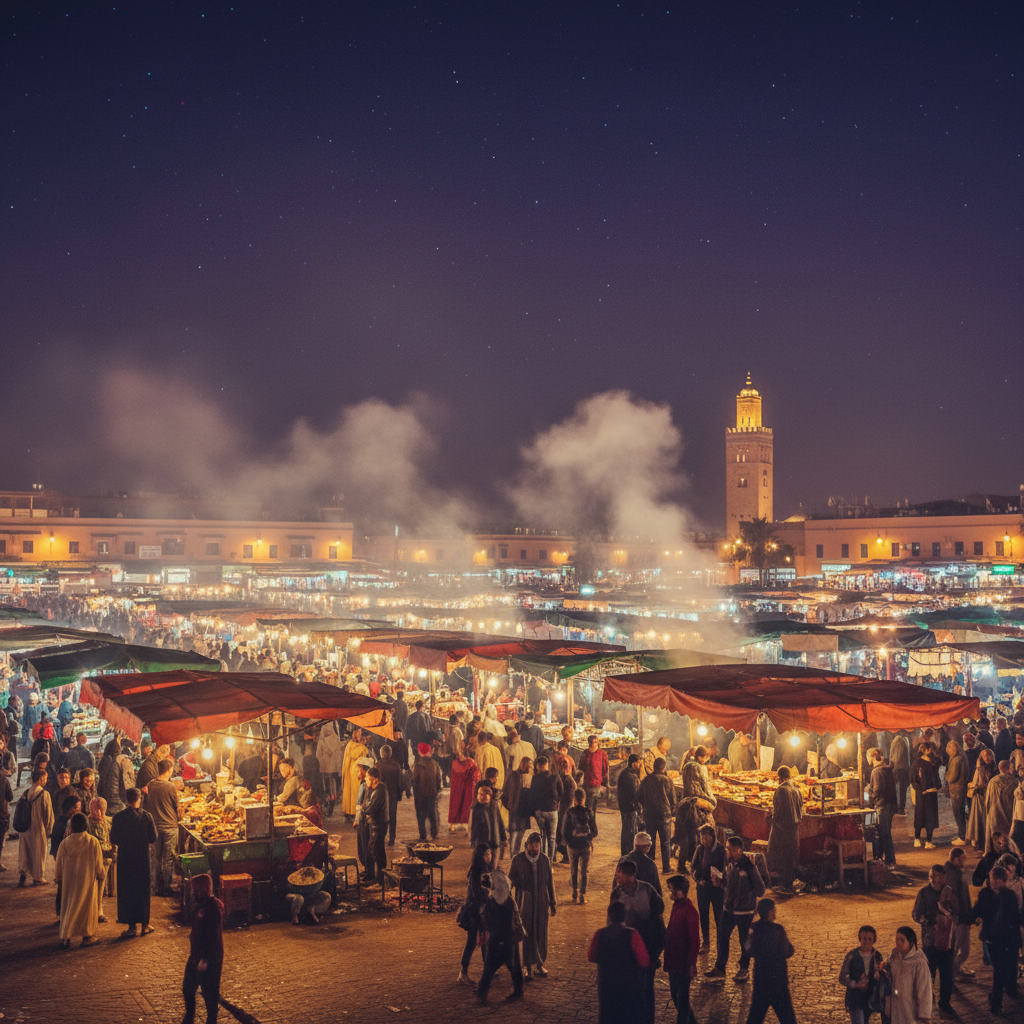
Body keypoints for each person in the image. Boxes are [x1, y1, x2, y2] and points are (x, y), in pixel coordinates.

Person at [609, 858, 665, 1024]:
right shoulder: (617, 893)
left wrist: (656, 950)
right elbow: (611, 922)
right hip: (626, 951)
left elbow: (659, 913)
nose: (617, 876)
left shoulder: (647, 890)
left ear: (631, 876)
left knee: (647, 988)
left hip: (647, 948)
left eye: (620, 873)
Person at [705, 836, 765, 982]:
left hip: (744, 912)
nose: (727, 851)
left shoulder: (749, 867)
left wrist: (747, 896)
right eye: (727, 848)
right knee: (722, 937)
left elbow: (760, 889)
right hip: (728, 909)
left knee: (744, 941)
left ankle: (744, 969)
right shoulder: (729, 863)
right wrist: (720, 883)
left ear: (738, 849)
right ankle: (720, 968)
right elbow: (728, 883)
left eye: (730, 848)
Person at [587, 900, 651, 1024]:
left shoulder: (600, 934)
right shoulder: (632, 934)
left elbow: (591, 956)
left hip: (607, 983)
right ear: (625, 916)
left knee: (608, 1014)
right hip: (629, 984)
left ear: (609, 916)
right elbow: (643, 960)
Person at [970, 867, 1021, 1014]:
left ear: (1004, 881)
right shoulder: (985, 894)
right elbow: (977, 911)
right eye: (993, 880)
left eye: (998, 880)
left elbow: (1015, 918)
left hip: (1007, 939)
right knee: (999, 970)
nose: (995, 883)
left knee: (1003, 970)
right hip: (992, 939)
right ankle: (996, 1002)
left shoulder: (1010, 896)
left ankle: (996, 999)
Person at [109, 786, 158, 936]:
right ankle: (145, 925)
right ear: (139, 800)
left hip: (126, 860)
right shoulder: (147, 816)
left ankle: (131, 927)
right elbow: (153, 838)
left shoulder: (118, 817)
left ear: (126, 800)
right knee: (143, 890)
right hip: (142, 859)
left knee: (128, 890)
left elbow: (114, 839)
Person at [508, 831, 556, 979]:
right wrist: (507, 903)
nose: (534, 848)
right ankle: (527, 966)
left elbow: (549, 882)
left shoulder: (544, 860)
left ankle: (540, 965)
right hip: (524, 902)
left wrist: (552, 902)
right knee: (526, 933)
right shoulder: (518, 860)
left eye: (537, 845)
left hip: (542, 902)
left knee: (541, 932)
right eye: (532, 845)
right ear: (526, 845)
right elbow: (510, 882)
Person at [53, 812, 104, 949]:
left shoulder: (65, 843)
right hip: (87, 882)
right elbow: (99, 865)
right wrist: (100, 875)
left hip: (69, 882)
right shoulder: (93, 841)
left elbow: (58, 866)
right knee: (87, 909)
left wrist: (58, 878)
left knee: (69, 906)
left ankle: (66, 937)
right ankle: (87, 936)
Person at [743, 898, 797, 1024]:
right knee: (787, 1017)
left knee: (755, 1016)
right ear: (770, 912)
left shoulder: (754, 928)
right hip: (778, 979)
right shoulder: (778, 930)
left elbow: (748, 948)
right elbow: (787, 951)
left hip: (761, 978)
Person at [476, 867, 525, 1003]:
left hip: (502, 939)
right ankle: (517, 990)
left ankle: (482, 992)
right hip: (507, 939)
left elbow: (488, 920)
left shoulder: (498, 902)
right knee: (513, 966)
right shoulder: (506, 900)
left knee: (492, 966)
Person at [912, 864, 956, 1013]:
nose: (933, 880)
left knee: (947, 975)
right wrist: (928, 920)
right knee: (928, 974)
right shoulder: (924, 893)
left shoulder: (949, 892)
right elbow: (916, 914)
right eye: (931, 876)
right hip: (929, 942)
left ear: (943, 877)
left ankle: (944, 1002)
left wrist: (947, 917)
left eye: (936, 876)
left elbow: (957, 913)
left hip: (946, 941)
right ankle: (926, 1001)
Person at [182, 873, 224, 1024]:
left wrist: (205, 959)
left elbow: (213, 937)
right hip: (195, 956)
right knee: (188, 989)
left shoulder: (212, 908)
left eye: (195, 889)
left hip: (209, 958)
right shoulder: (202, 906)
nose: (193, 893)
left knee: (209, 993)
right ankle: (189, 1016)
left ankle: (211, 1020)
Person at [663, 874, 700, 1024]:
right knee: (676, 996)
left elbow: (694, 940)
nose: (670, 892)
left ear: (679, 891)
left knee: (682, 1000)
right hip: (674, 961)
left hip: (683, 963)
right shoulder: (677, 906)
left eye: (671, 889)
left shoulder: (690, 911)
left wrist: (691, 963)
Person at [456, 843, 493, 985]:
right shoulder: (476, 872)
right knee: (471, 942)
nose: (489, 856)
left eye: (489, 853)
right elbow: (476, 892)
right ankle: (463, 973)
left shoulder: (486, 869)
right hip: (474, 912)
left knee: (486, 941)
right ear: (479, 856)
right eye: (486, 854)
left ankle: (488, 969)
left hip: (484, 910)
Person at [883, 926, 932, 1024]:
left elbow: (924, 990)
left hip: (910, 1011)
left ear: (911, 942)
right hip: (895, 1010)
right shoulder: (894, 957)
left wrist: (924, 1015)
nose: (898, 943)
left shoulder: (919, 963)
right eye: (897, 939)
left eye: (902, 940)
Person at [147, 758, 180, 896]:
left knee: (156, 858)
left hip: (155, 826)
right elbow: (176, 806)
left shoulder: (150, 785)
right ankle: (167, 887)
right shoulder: (170, 786)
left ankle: (155, 886)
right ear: (169, 770)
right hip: (170, 826)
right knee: (168, 859)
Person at [838, 925, 884, 1024]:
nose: (867, 941)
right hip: (855, 998)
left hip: (870, 998)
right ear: (860, 939)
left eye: (869, 939)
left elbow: (882, 976)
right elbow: (842, 977)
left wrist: (878, 976)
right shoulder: (852, 956)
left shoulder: (878, 956)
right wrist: (854, 984)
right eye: (864, 938)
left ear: (874, 940)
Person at [691, 823, 726, 950]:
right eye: (703, 837)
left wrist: (719, 877)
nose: (706, 840)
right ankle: (706, 942)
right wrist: (697, 877)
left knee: (719, 917)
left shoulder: (720, 850)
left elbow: (725, 869)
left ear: (713, 837)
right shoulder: (699, 850)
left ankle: (720, 943)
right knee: (704, 916)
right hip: (703, 888)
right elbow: (693, 867)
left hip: (717, 890)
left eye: (708, 837)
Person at [638, 756, 676, 873]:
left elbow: (640, 797)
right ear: (663, 767)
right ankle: (666, 868)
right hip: (664, 815)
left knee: (650, 841)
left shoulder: (646, 780)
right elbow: (673, 800)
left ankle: (649, 867)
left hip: (650, 815)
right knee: (665, 842)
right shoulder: (667, 780)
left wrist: (646, 808)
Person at [768, 765, 803, 889]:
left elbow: (777, 811)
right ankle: (788, 882)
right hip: (794, 828)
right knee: (791, 856)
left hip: (782, 828)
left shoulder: (781, 790)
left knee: (783, 856)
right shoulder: (796, 789)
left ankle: (785, 884)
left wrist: (772, 819)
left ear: (779, 777)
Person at [17, 767, 54, 886]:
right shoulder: (44, 794)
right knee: (38, 852)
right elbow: (48, 814)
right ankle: (38, 877)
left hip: (25, 827)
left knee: (25, 851)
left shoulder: (26, 792)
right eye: (45, 778)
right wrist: (49, 829)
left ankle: (23, 872)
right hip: (38, 827)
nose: (46, 780)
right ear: (41, 778)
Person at [943, 847, 974, 979]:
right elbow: (954, 898)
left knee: (958, 947)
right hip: (959, 917)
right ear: (956, 860)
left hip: (961, 916)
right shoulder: (952, 875)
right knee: (962, 948)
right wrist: (959, 916)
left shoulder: (954, 873)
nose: (964, 861)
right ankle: (952, 971)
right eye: (962, 858)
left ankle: (953, 970)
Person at [563, 787, 597, 904]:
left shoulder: (569, 812)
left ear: (574, 799)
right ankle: (582, 895)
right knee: (584, 871)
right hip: (585, 846)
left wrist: (570, 841)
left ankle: (574, 892)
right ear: (584, 799)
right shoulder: (589, 812)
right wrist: (587, 838)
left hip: (573, 846)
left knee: (573, 869)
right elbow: (595, 831)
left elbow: (565, 831)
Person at [865, 747, 898, 865]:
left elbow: (878, 789)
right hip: (889, 804)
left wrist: (870, 794)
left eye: (867, 756)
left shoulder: (877, 771)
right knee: (885, 832)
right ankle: (887, 859)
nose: (867, 759)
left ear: (872, 757)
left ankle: (890, 860)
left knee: (884, 833)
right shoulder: (886, 769)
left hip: (882, 805)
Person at [85, 797, 113, 923]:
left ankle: (99, 911)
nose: (99, 814)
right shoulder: (86, 823)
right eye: (96, 810)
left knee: (101, 886)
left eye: (102, 810)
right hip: (89, 860)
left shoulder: (109, 821)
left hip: (105, 859)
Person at [529, 755, 562, 862]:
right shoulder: (555, 776)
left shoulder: (535, 778)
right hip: (552, 810)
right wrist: (557, 802)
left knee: (542, 836)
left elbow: (532, 794)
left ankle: (542, 860)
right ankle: (550, 861)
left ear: (538, 766)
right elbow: (561, 791)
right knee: (552, 837)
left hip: (540, 810)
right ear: (547, 765)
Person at [910, 741, 941, 849]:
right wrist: (919, 788)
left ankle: (929, 840)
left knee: (930, 816)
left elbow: (936, 775)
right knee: (920, 815)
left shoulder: (934, 761)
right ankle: (917, 838)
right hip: (921, 793)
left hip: (932, 792)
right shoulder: (917, 762)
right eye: (929, 749)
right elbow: (913, 778)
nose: (930, 751)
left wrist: (937, 787)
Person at [502, 755, 535, 856]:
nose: (529, 767)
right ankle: (513, 855)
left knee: (521, 833)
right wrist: (509, 805)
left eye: (531, 765)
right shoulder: (514, 775)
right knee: (514, 833)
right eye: (528, 765)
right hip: (515, 809)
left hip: (525, 810)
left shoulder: (531, 777)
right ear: (523, 764)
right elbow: (505, 792)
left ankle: (517, 854)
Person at [361, 766, 388, 883]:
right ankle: (374, 875)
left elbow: (369, 809)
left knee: (374, 850)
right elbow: (365, 805)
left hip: (379, 825)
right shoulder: (372, 789)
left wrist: (363, 809)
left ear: (375, 779)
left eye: (367, 777)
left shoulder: (380, 791)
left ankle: (378, 878)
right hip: (374, 824)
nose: (365, 779)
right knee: (377, 849)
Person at [469, 781, 507, 861]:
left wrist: (503, 838)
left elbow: (500, 823)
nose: (485, 796)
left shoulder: (494, 807)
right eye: (482, 794)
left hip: (495, 841)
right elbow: (472, 827)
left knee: (494, 865)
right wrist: (473, 841)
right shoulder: (475, 809)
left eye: (487, 794)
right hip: (481, 844)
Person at [412, 742, 442, 841]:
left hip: (420, 794)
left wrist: (415, 792)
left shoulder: (417, 764)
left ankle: (423, 835)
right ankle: (434, 833)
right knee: (432, 813)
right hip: (432, 793)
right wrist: (437, 790)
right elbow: (438, 779)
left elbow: (415, 780)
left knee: (420, 816)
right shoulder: (435, 764)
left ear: (419, 752)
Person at [966, 746, 995, 848]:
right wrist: (974, 786)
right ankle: (979, 842)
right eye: (984, 755)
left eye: (988, 755)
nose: (987, 757)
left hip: (990, 797)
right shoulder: (980, 769)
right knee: (979, 819)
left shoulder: (994, 768)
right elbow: (978, 783)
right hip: (980, 797)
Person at [619, 831, 664, 895]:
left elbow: (616, 885)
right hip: (642, 900)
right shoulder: (650, 864)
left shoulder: (622, 860)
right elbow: (656, 890)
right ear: (647, 846)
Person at [316, 721, 345, 817]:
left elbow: (318, 755)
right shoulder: (335, 740)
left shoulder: (322, 741)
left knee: (328, 790)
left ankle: (329, 808)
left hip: (325, 769)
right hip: (333, 769)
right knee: (332, 790)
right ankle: (330, 807)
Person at [376, 743, 402, 845]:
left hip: (380, 796)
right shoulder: (396, 766)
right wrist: (399, 796)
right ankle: (392, 838)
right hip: (393, 795)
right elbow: (399, 783)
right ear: (390, 754)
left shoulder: (377, 765)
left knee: (380, 817)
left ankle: (381, 837)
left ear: (381, 754)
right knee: (392, 817)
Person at [944, 740, 969, 847]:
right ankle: (962, 835)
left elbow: (952, 777)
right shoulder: (961, 757)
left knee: (958, 814)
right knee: (960, 813)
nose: (951, 750)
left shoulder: (956, 759)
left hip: (957, 791)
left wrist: (946, 775)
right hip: (960, 789)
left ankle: (962, 836)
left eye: (952, 748)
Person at [617, 752, 642, 855]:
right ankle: (629, 852)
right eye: (639, 763)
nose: (640, 765)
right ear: (633, 763)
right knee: (630, 831)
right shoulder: (630, 776)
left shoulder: (625, 773)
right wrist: (637, 807)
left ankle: (626, 852)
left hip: (625, 806)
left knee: (627, 830)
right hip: (629, 808)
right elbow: (634, 793)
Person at [986, 759, 1017, 840]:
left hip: (995, 814)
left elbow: (987, 801)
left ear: (999, 768)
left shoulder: (993, 781)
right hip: (1009, 813)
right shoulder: (1014, 781)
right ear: (1009, 768)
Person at [340, 726, 367, 818]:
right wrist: (364, 747)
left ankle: (352, 812)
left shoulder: (353, 744)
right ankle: (353, 813)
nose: (360, 736)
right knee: (355, 793)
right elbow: (355, 755)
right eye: (358, 733)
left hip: (354, 772)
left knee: (354, 794)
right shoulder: (352, 744)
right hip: (354, 773)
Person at [579, 734, 609, 816]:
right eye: (593, 742)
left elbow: (605, 769)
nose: (594, 744)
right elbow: (581, 767)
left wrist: (601, 780)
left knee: (592, 807)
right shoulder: (585, 753)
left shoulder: (602, 753)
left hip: (596, 783)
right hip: (587, 783)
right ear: (589, 743)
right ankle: (590, 824)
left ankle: (591, 824)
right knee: (588, 806)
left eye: (596, 742)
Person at [890, 730, 911, 814]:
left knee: (894, 789)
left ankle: (895, 808)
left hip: (896, 769)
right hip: (904, 769)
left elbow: (892, 755)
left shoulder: (896, 741)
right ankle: (901, 808)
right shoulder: (903, 741)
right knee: (903, 791)